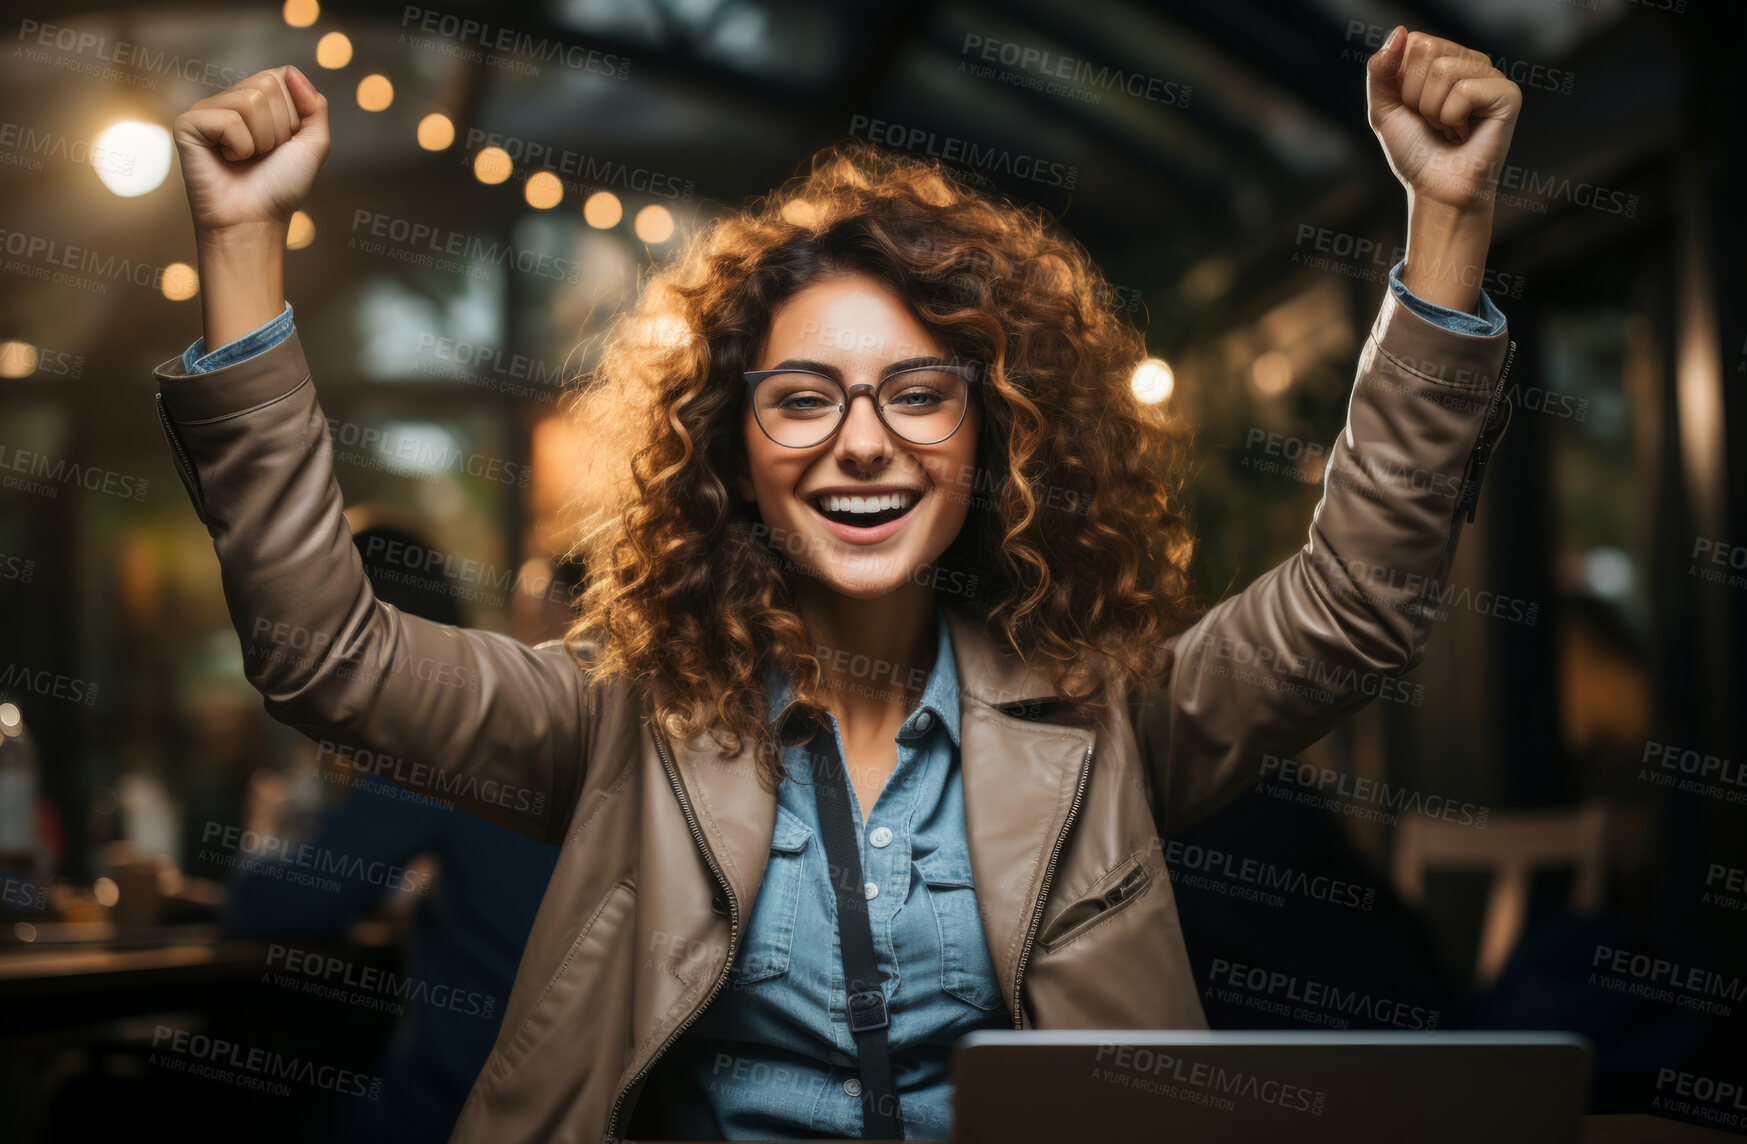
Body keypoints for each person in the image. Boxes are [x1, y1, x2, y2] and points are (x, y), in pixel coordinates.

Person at [153, 26, 1520, 1142]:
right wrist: (239, 249)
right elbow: (321, 656)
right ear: (729, 452)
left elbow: (1352, 605)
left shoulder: (1106, 724)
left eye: (918, 393)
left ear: (988, 437)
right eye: (800, 397)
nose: (861, 439)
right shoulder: (612, 727)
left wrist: (1444, 227)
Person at [220, 515, 561, 1144]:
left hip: (461, 1108)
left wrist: (263, 836)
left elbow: (274, 910)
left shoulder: (446, 727)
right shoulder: (644, 737)